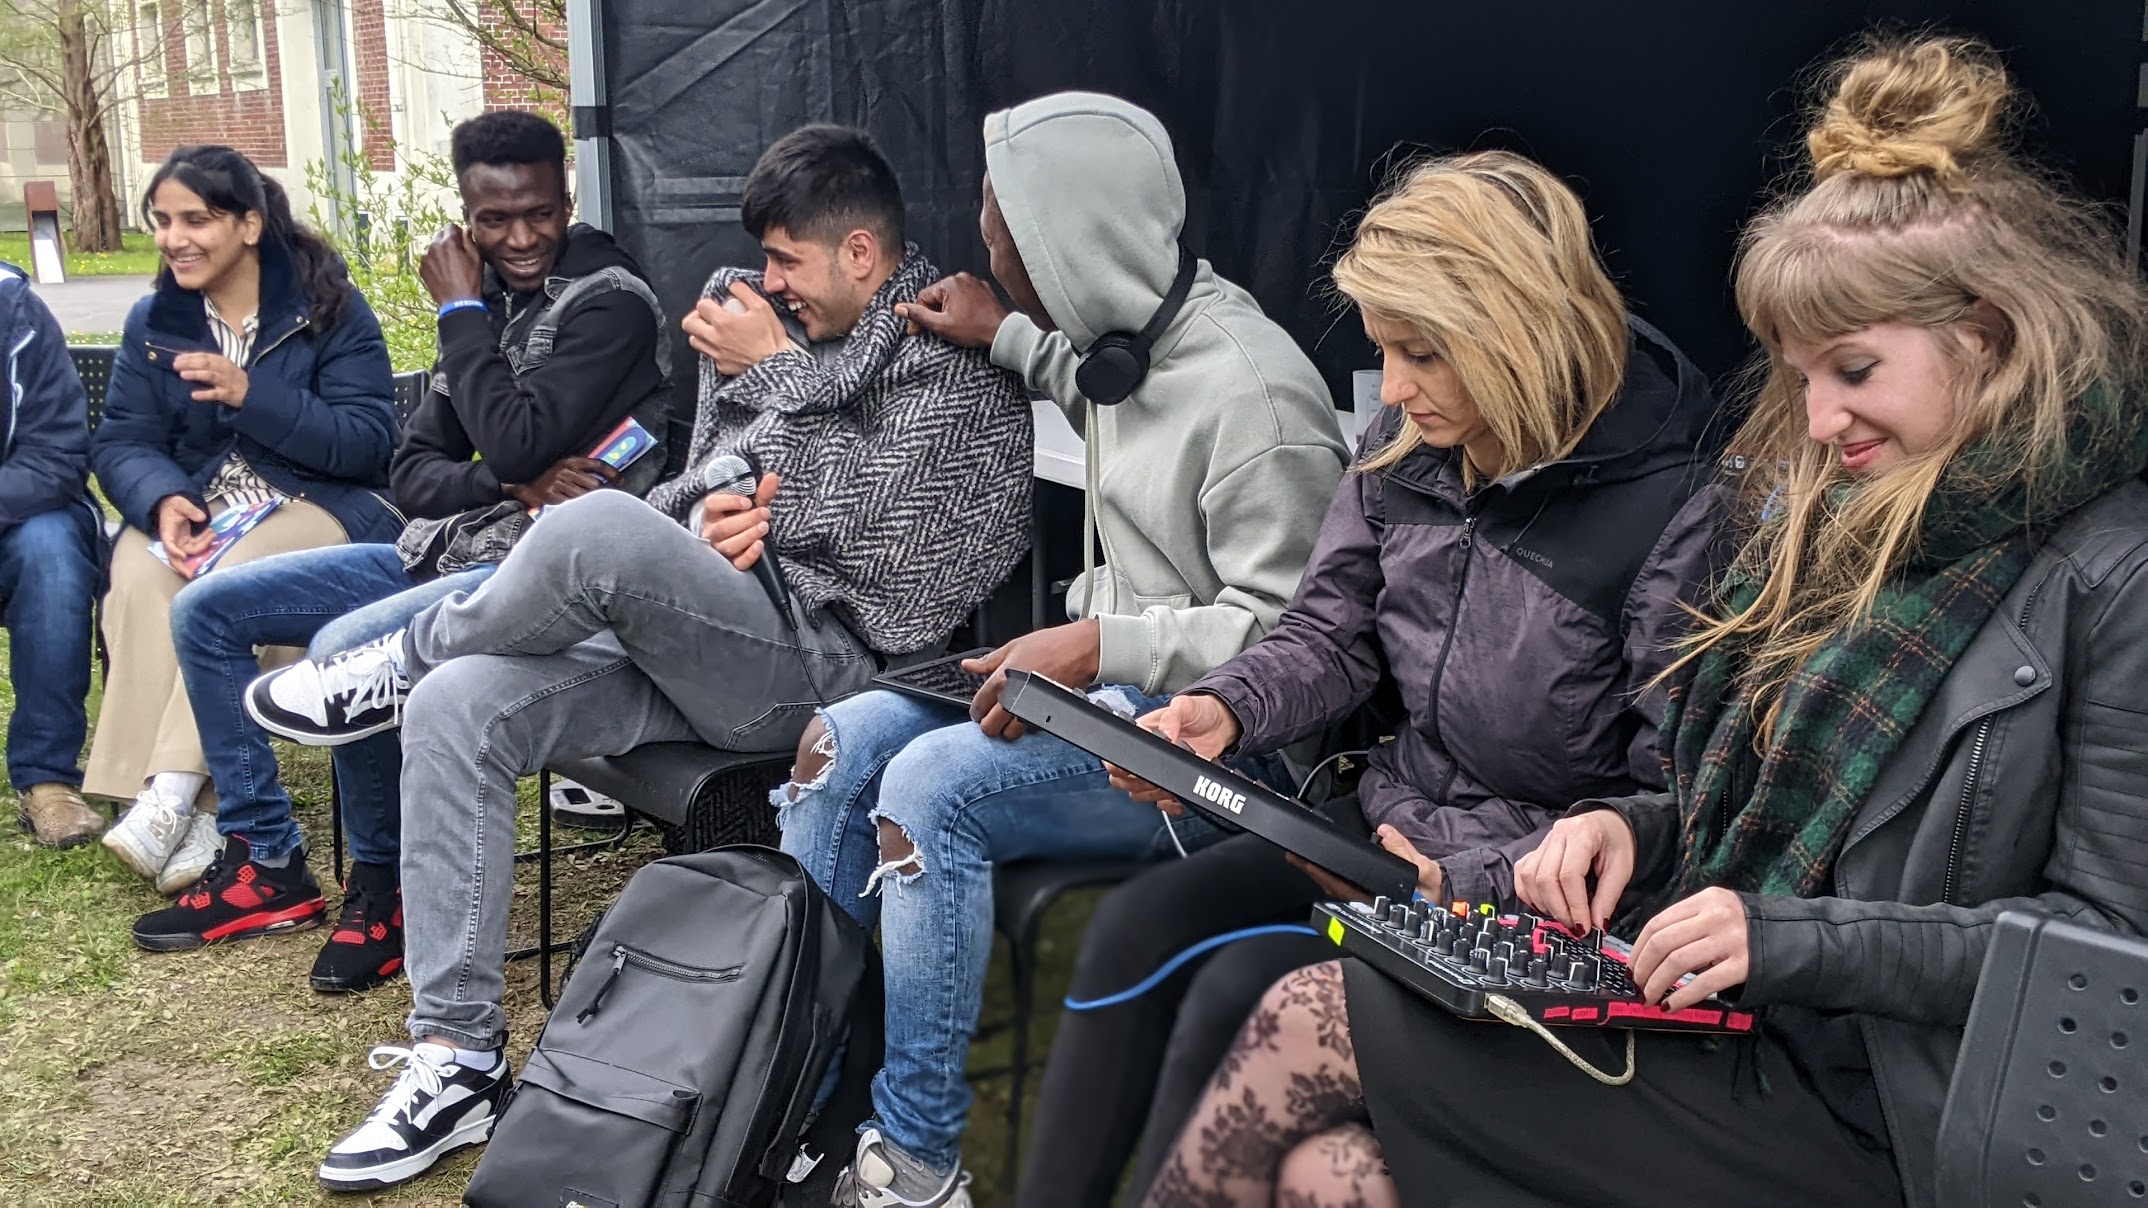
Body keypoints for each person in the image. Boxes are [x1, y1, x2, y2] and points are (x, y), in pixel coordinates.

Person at [1144, 36, 2148, 1208]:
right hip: (1733, 1021)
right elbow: (1740, 805)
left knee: (1316, 1011)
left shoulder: (2111, 578)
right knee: (1332, 1173)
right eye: (1800, 377)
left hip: (1895, 1105)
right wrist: (1629, 831)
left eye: (1855, 370)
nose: (1820, 419)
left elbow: (2104, 956)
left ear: (1987, 335)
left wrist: (1785, 937)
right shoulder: (1839, 519)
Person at [258, 124, 1036, 1191]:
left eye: (787, 260)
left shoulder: (954, 372)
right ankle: (458, 1055)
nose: (770, 281)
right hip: (708, 637)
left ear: (860, 252)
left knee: (590, 527)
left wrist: (779, 397)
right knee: (458, 706)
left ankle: (405, 652)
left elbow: (907, 574)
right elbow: (699, 481)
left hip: (839, 672)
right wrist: (710, 517)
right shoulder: (765, 328)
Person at [1020, 148, 1726, 1204]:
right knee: (1134, 928)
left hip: (1521, 901)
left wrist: (1469, 882)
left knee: (1232, 992)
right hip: (1381, 832)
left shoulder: (1675, 505)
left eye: (1422, 354)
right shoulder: (1409, 438)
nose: (1390, 389)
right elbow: (1331, 631)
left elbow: (1669, 801)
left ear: (1521, 333)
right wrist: (1223, 707)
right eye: (1384, 350)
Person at [775, 92, 1351, 1208]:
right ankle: (797, 1094)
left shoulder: (1260, 400)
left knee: (929, 786)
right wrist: (1000, 331)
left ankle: (917, 1164)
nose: (987, 255)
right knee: (836, 744)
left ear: (1073, 245)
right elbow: (1087, 383)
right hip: (1105, 687)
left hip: (1218, 747)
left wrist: (1099, 642)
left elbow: (1302, 641)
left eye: (1005, 240)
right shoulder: (1122, 349)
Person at [128, 111, 672, 984]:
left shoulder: (608, 302)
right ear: (466, 217)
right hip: (445, 548)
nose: (521, 238)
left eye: (539, 213)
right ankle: (267, 860)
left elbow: (518, 439)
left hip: (540, 577)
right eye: (495, 220)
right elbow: (411, 471)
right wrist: (504, 483)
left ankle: (384, 892)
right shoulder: (491, 301)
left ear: (567, 200)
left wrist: (459, 314)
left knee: (348, 647)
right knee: (206, 611)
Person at [90, 144, 397, 897]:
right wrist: (163, 499)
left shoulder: (329, 310)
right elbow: (123, 439)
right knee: (137, 575)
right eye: (162, 221)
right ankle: (196, 811)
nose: (174, 239)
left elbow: (367, 443)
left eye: (196, 220)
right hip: (205, 505)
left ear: (249, 225)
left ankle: (168, 793)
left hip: (319, 506)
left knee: (235, 581)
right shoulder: (156, 321)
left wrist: (249, 393)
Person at [0, 261, 105, 848]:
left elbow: (56, 457)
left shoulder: (13, 311)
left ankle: (46, 779)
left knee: (52, 552)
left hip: (16, 514)